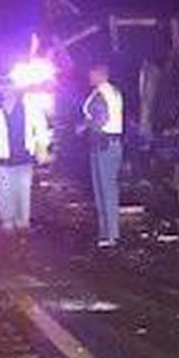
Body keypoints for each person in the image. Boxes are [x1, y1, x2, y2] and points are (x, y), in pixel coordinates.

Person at [0, 82, 52, 240]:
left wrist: (42, 148)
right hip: (1, 158)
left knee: (23, 192)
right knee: (3, 192)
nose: (6, 91)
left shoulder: (30, 107)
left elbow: (41, 129)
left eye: (9, 87)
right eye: (3, 87)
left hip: (24, 158)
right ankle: (7, 224)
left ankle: (23, 223)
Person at [79, 62, 124, 247]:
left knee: (104, 190)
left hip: (103, 144)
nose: (89, 77)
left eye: (92, 74)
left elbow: (101, 118)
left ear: (100, 74)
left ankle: (110, 234)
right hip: (111, 144)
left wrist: (85, 126)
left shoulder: (100, 94)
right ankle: (107, 233)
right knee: (107, 189)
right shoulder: (114, 92)